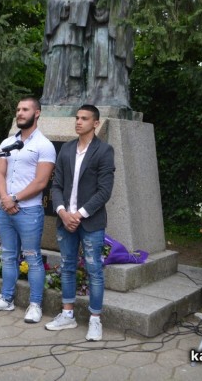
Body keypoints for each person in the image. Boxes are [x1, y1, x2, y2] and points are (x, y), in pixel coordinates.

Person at [0, 96, 56, 323]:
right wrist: (5, 198)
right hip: (6, 209)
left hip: (29, 211)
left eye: (25, 109)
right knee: (8, 255)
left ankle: (35, 304)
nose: (20, 113)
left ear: (37, 113)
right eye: (18, 109)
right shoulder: (7, 144)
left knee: (32, 258)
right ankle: (6, 299)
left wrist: (14, 198)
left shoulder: (44, 145)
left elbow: (41, 182)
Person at [45, 104, 115, 341]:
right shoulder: (66, 149)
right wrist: (63, 212)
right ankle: (67, 315)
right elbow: (56, 186)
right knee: (67, 267)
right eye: (77, 118)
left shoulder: (104, 151)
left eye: (84, 118)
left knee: (94, 270)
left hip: (90, 222)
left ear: (95, 123)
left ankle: (95, 320)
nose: (78, 122)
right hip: (65, 220)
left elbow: (105, 191)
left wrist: (80, 214)